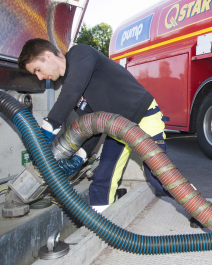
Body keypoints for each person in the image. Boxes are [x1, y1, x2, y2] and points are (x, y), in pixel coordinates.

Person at [18, 38, 169, 212]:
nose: (39, 77)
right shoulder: (75, 86)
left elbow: (71, 90)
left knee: (159, 176)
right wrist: (79, 157)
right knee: (102, 181)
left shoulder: (80, 53)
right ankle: (103, 232)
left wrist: (48, 128)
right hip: (117, 128)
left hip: (144, 117)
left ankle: (198, 211)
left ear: (48, 56)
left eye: (38, 69)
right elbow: (93, 124)